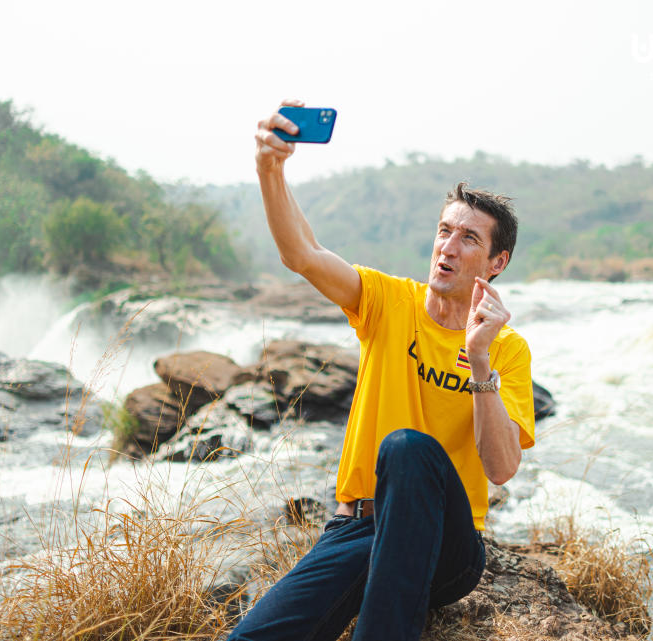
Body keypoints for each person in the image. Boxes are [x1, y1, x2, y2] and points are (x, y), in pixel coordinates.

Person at [229, 100, 536, 641]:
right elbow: (301, 253)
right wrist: (269, 168)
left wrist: (480, 359)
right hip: (356, 528)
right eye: (444, 231)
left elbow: (502, 466)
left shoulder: (506, 347)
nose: (448, 247)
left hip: (447, 544)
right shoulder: (387, 302)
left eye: (469, 239)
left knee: (406, 448)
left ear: (497, 263)